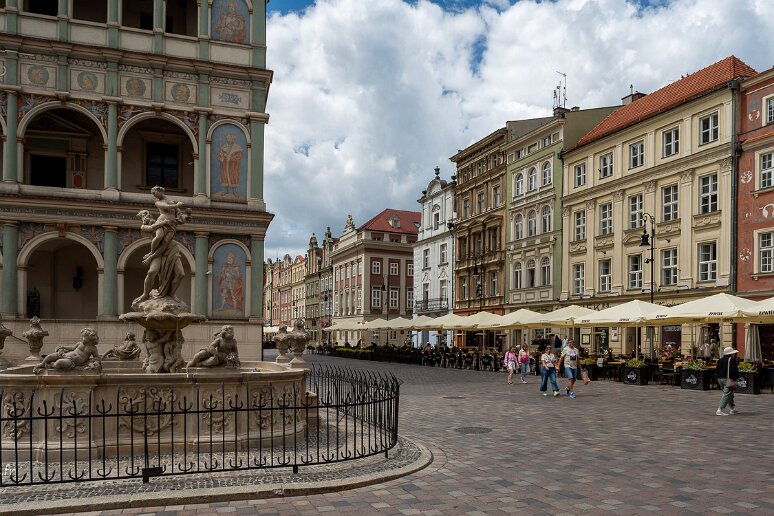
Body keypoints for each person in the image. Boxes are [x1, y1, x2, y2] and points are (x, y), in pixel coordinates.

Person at [33, 327, 101, 374]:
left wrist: (93, 362)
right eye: (82, 336)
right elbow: (72, 348)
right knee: (50, 356)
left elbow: (96, 357)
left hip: (72, 361)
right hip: (66, 355)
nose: (82, 338)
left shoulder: (93, 348)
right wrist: (63, 347)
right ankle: (41, 364)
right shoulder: (80, 343)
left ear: (90, 338)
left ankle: (52, 366)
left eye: (84, 337)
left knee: (60, 362)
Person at [715, 346, 739, 416]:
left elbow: (717, 370)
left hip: (720, 379)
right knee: (727, 394)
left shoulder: (720, 360)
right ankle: (720, 409)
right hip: (727, 379)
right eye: (733, 353)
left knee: (729, 394)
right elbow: (734, 371)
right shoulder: (731, 360)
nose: (734, 354)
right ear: (730, 353)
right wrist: (736, 378)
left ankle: (732, 409)